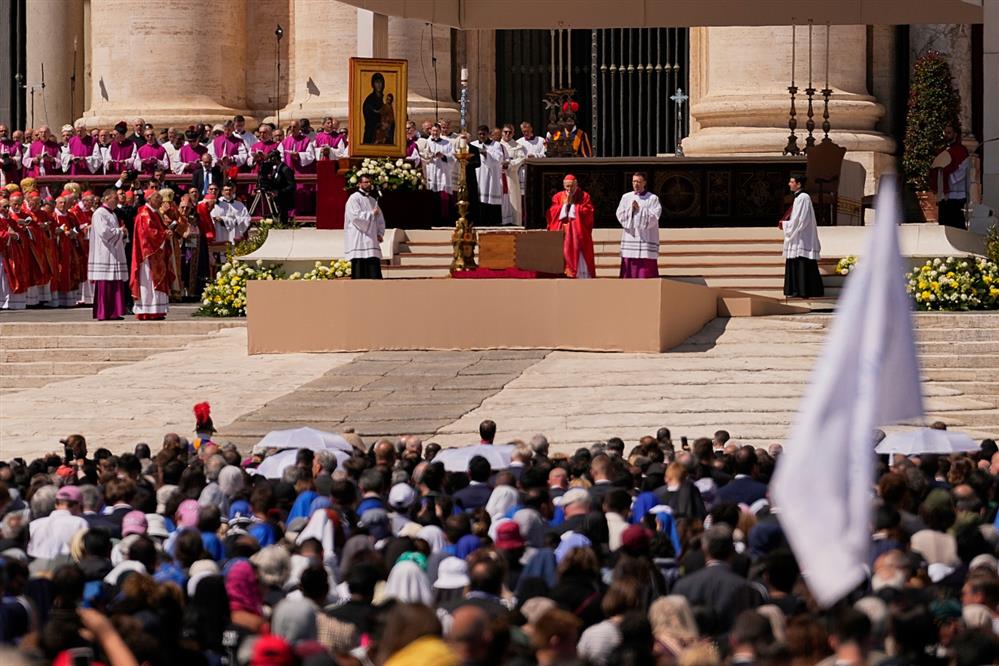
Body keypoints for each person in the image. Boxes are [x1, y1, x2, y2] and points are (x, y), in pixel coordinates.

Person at [130, 188, 173, 320]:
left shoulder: (153, 213)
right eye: (157, 198)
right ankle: (148, 310)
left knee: (154, 282)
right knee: (148, 282)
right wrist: (164, 235)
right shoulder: (145, 214)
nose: (160, 200)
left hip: (156, 253)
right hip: (148, 255)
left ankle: (156, 310)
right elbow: (149, 234)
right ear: (149, 199)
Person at [779, 173, 823, 299]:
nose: (789, 184)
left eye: (791, 182)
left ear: (798, 184)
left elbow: (800, 219)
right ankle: (796, 290)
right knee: (797, 261)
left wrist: (786, 224)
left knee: (802, 262)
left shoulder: (803, 198)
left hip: (802, 236)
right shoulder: (799, 198)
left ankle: (804, 291)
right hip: (798, 235)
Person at [89, 188, 129, 320]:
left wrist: (122, 233)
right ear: (106, 198)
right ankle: (104, 312)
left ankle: (114, 312)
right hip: (104, 253)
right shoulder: (99, 213)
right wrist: (120, 232)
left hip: (113, 252)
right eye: (114, 198)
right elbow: (104, 232)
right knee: (105, 283)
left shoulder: (112, 214)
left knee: (114, 282)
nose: (117, 201)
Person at [546, 174, 595, 278]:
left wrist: (574, 207)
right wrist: (564, 205)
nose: (570, 189)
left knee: (578, 253)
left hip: (577, 232)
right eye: (567, 186)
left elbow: (588, 212)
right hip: (563, 232)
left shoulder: (584, 196)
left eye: (572, 186)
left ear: (576, 185)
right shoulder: (558, 196)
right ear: (564, 186)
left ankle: (579, 275)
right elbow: (552, 212)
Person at [615, 172, 662, 279]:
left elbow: (655, 217)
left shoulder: (653, 198)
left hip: (646, 239)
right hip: (631, 238)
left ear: (644, 183)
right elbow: (620, 215)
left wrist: (639, 210)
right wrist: (631, 210)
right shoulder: (626, 197)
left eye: (639, 182)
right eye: (634, 181)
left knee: (645, 271)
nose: (636, 184)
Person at [344, 174, 385, 280]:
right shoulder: (354, 198)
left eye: (370, 182)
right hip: (359, 237)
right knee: (359, 266)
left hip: (371, 238)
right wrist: (371, 214)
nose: (369, 184)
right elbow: (355, 217)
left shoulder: (372, 200)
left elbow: (380, 218)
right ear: (359, 184)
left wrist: (380, 233)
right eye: (366, 182)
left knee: (373, 266)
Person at [930, 124, 971, 229]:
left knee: (957, 223)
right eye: (945, 133)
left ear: (955, 134)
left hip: (957, 193)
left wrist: (950, 177)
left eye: (949, 133)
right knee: (944, 223)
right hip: (944, 194)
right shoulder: (942, 151)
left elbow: (964, 169)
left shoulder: (962, 151)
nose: (946, 135)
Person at [279, 120, 316, 216]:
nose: (292, 129)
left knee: (302, 195)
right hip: (288, 172)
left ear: (299, 128)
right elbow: (280, 156)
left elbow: (311, 156)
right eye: (290, 127)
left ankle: (303, 216)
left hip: (301, 172)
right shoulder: (285, 141)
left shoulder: (306, 140)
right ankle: (290, 216)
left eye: (294, 127)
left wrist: (299, 155)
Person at [421, 123, 455, 224]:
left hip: (442, 173)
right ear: (430, 131)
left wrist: (443, 156)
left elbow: (452, 158)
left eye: (437, 131)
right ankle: (431, 219)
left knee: (443, 197)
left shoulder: (447, 143)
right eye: (433, 131)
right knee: (432, 196)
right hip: (431, 171)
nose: (435, 133)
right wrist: (428, 155)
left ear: (440, 132)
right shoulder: (427, 142)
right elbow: (422, 156)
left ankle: (444, 220)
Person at [471, 125, 505, 226]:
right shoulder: (473, 144)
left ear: (488, 134)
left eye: (483, 134)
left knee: (490, 198)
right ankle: (478, 221)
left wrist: (486, 154)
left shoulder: (496, 145)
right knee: (478, 197)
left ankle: (492, 221)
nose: (481, 136)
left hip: (490, 176)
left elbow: (498, 159)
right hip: (477, 175)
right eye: (479, 134)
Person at [499, 124, 526, 226]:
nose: (507, 134)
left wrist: (510, 164)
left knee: (513, 199)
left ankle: (514, 222)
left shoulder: (518, 146)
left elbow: (522, 159)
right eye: (505, 132)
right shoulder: (497, 145)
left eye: (510, 132)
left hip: (512, 176)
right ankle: (502, 220)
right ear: (502, 133)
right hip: (501, 176)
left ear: (513, 133)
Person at [363, 73, 387, 144]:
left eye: (380, 82)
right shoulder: (370, 99)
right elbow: (368, 112)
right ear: (373, 84)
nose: (379, 85)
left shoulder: (384, 98)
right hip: (372, 132)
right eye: (377, 82)